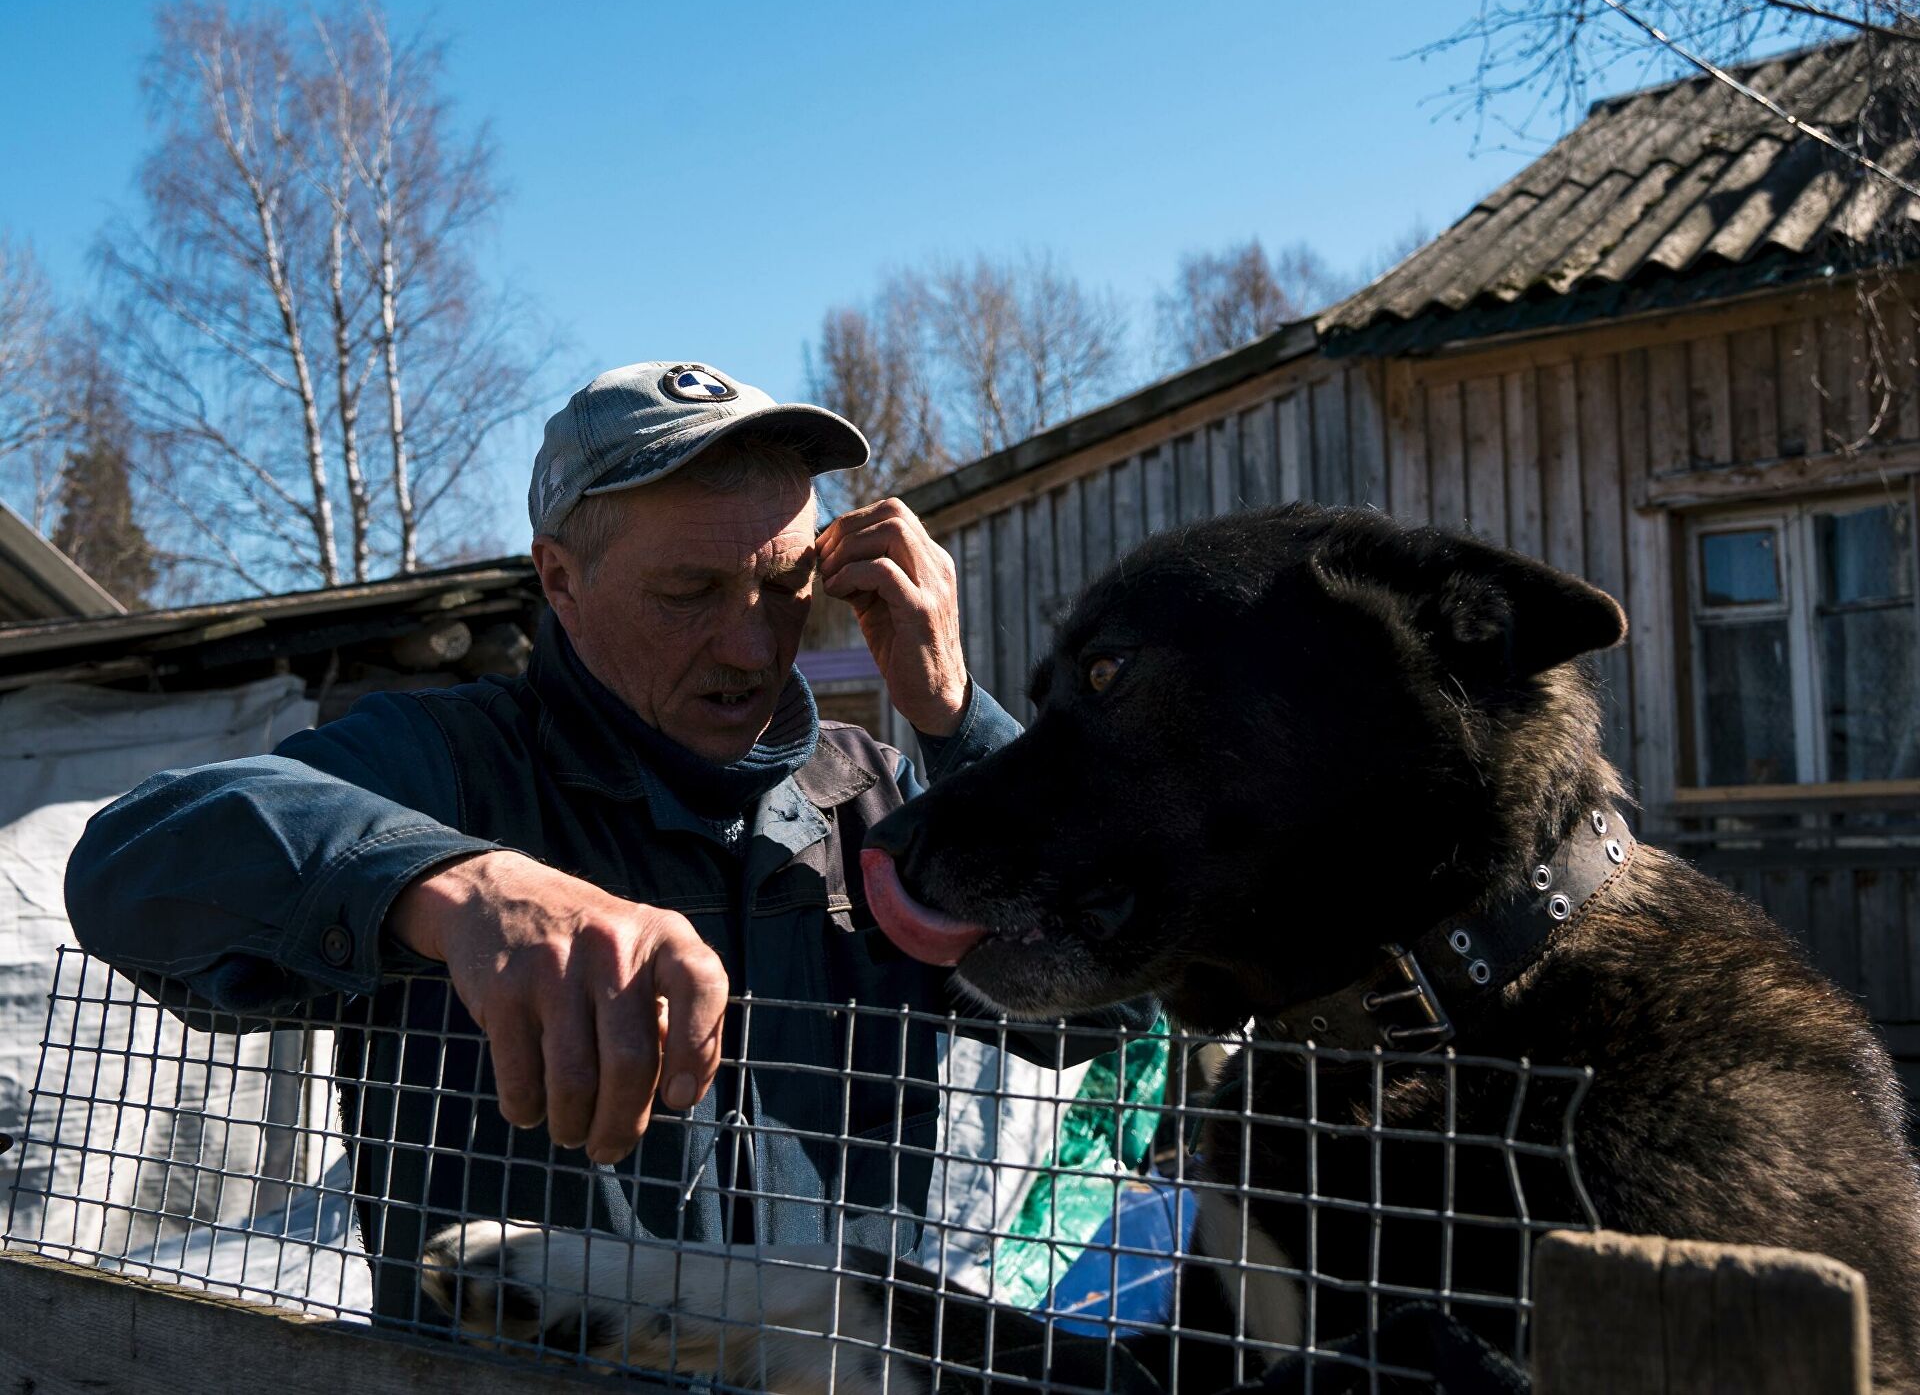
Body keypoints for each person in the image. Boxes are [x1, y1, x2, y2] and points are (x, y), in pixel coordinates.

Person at [65, 361, 1150, 1325]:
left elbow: (1115, 1006)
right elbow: (131, 863)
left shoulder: (875, 797)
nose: (754, 642)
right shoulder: (455, 766)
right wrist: (455, 887)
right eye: (690, 592)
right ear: (560, 578)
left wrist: (962, 721)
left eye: (786, 588)